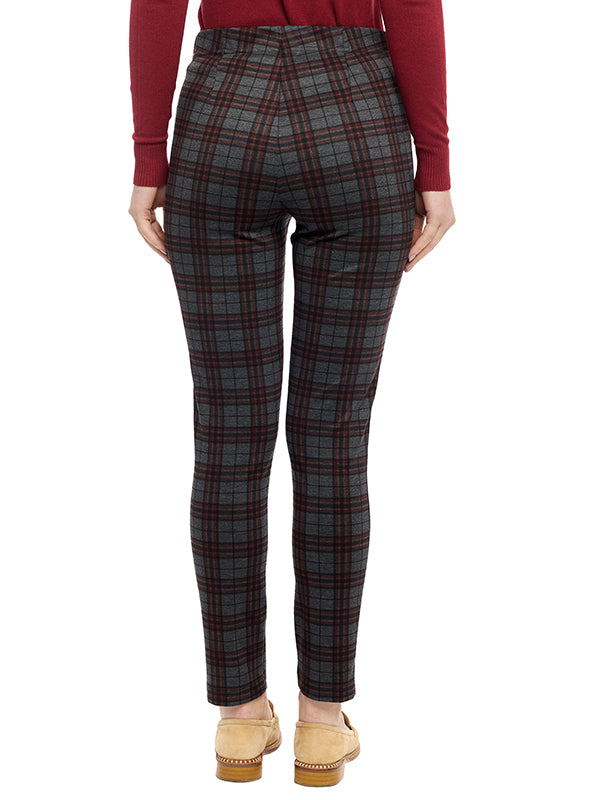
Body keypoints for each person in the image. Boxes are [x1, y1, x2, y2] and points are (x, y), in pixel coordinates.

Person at [128, 0, 455, 786]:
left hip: (222, 117)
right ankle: (321, 719)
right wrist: (436, 167)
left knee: (228, 438)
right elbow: (411, 5)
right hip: (356, 115)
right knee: (333, 438)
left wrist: (147, 158)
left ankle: (240, 718)